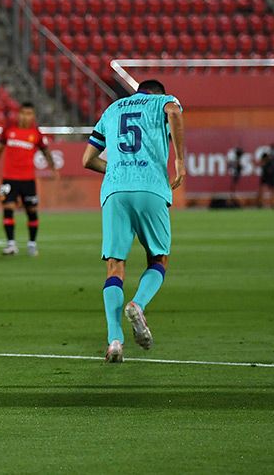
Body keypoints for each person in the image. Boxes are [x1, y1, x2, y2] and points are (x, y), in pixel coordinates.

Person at [81, 79, 185, 363]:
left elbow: (87, 159)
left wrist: (115, 169)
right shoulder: (162, 102)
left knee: (115, 266)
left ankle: (115, 341)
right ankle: (138, 304)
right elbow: (174, 113)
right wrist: (179, 162)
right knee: (158, 259)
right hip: (151, 186)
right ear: (158, 94)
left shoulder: (112, 109)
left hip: (115, 191)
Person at [0, 102, 59, 256]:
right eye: (23, 113)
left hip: (28, 179)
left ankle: (32, 244)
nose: (26, 116)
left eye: (29, 114)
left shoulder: (36, 133)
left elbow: (45, 151)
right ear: (19, 114)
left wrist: (53, 168)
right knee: (8, 207)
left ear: (33, 116)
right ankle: (11, 244)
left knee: (31, 211)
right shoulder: (9, 130)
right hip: (9, 178)